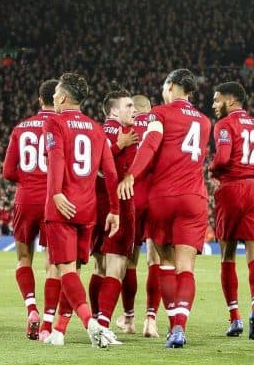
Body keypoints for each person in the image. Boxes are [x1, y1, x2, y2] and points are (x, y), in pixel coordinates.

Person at [118, 69, 211, 348]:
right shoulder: (205, 122)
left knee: (166, 264)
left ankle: (172, 327)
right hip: (194, 197)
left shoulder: (160, 114)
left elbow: (150, 145)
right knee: (187, 268)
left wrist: (131, 174)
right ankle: (179, 328)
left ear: (171, 86)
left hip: (163, 197)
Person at [42, 72, 120, 348]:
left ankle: (91, 323)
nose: (53, 99)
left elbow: (56, 160)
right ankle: (59, 332)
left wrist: (56, 194)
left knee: (65, 270)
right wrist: (114, 209)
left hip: (63, 207)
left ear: (62, 97)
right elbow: (110, 172)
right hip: (89, 209)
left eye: (55, 96)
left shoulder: (54, 122)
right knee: (72, 271)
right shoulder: (97, 128)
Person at [209, 82, 254, 339]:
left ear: (231, 100)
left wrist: (212, 169)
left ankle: (235, 318)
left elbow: (223, 159)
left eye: (217, 100)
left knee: (227, 255)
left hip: (233, 188)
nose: (213, 105)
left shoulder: (224, 125)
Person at [2, 79, 60, 341]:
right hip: (53, 200)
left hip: (25, 199)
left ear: (40, 100)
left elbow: (7, 172)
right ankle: (48, 321)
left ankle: (31, 309)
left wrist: (27, 178)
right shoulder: (62, 126)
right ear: (60, 98)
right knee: (53, 264)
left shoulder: (21, 127)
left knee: (23, 259)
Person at [91, 88, 137, 337]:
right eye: (128, 106)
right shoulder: (129, 133)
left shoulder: (95, 131)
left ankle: (94, 321)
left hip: (94, 205)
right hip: (119, 204)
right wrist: (118, 145)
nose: (134, 110)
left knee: (99, 266)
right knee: (117, 267)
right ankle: (104, 326)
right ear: (113, 110)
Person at [115, 94, 161, 338]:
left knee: (129, 262)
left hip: (132, 197)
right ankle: (151, 319)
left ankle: (129, 318)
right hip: (156, 200)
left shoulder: (127, 127)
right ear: (151, 109)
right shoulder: (159, 125)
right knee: (155, 261)